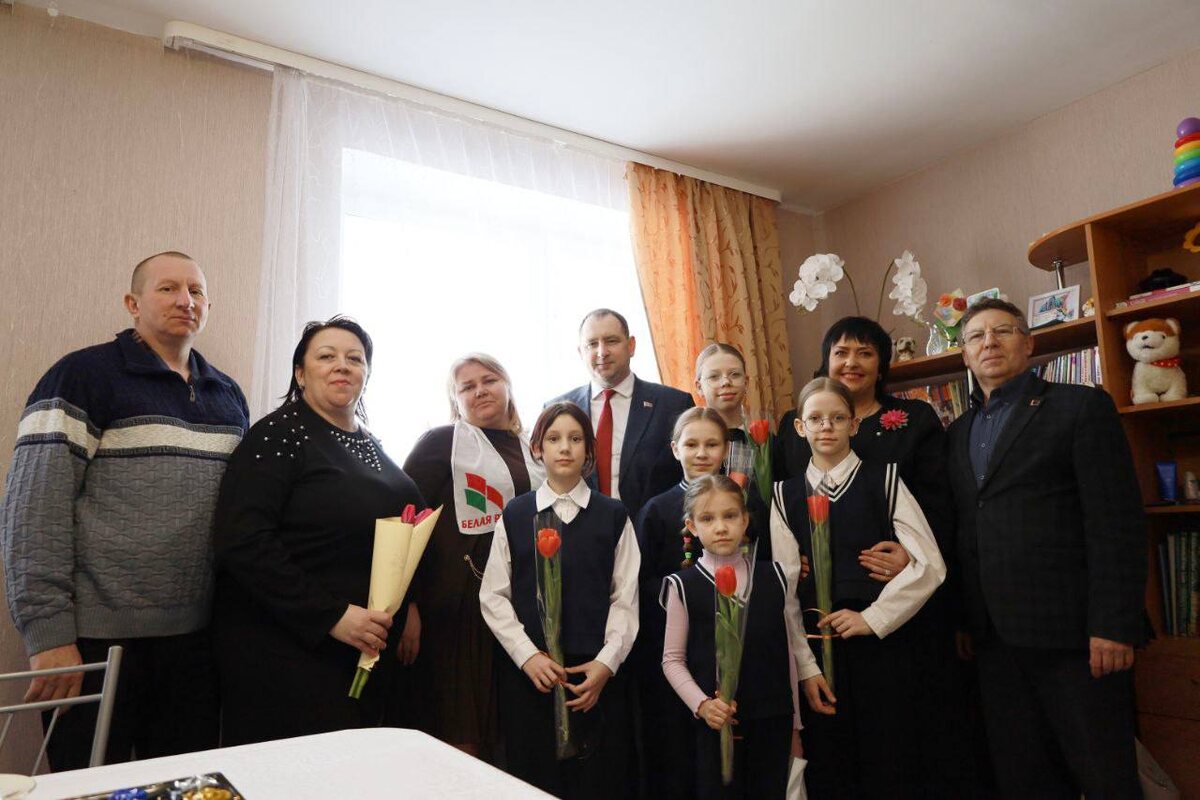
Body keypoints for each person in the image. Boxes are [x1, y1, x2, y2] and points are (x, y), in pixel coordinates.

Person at [0, 251, 249, 769]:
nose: (185, 300)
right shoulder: (81, 376)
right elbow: (34, 511)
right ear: (133, 303)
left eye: (197, 291)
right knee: (92, 788)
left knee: (184, 786)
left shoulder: (227, 395)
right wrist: (49, 636)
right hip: (94, 643)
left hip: (196, 644)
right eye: (168, 288)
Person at [947, 298, 1146, 798]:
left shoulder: (1080, 407)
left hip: (1076, 639)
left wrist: (1113, 625)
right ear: (965, 355)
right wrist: (966, 620)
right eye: (976, 337)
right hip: (994, 643)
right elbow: (966, 529)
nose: (989, 343)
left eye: (1002, 331)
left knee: (1105, 776)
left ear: (1028, 343)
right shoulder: (957, 433)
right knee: (1024, 779)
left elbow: (1115, 523)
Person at [772, 316, 975, 792]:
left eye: (837, 419)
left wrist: (874, 618)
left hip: (885, 643)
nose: (827, 427)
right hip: (817, 648)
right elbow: (784, 590)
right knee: (831, 766)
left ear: (854, 424)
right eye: (816, 419)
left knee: (892, 759)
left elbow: (930, 564)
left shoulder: (885, 480)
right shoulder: (783, 495)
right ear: (799, 427)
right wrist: (805, 667)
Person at [211, 316, 423, 745]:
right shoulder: (277, 436)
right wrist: (332, 616)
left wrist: (410, 603)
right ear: (300, 373)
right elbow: (244, 542)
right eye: (327, 356)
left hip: (360, 646)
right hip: (289, 649)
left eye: (354, 359)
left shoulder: (368, 441)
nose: (342, 365)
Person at [480, 402, 640, 799]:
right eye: (553, 439)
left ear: (589, 450)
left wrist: (606, 663)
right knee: (536, 783)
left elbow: (625, 598)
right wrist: (527, 656)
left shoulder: (613, 515)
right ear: (537, 448)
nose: (565, 447)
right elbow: (493, 596)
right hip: (533, 678)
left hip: (593, 678)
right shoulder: (515, 515)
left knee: (598, 782)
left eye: (575, 439)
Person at [399, 354, 544, 757]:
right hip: (455, 606)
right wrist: (408, 604)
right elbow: (404, 520)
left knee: (506, 729)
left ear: (508, 385)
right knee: (459, 725)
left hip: (516, 603)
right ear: (455, 400)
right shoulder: (441, 442)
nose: (480, 390)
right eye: (467, 386)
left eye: (489, 380)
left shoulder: (534, 447)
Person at [661, 474, 811, 799]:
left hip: (772, 723)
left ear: (745, 520)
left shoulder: (775, 577)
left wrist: (795, 727)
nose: (720, 527)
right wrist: (702, 705)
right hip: (715, 723)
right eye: (708, 519)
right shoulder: (682, 585)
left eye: (730, 516)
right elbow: (672, 660)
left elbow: (786, 654)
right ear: (692, 526)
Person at [633, 407, 729, 800]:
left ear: (725, 449)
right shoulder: (657, 509)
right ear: (675, 449)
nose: (701, 453)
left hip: (729, 643)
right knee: (678, 753)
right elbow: (638, 582)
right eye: (692, 444)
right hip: (675, 648)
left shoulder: (743, 502)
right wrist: (684, 592)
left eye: (711, 444)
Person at [548, 308, 694, 521]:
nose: (602, 352)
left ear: (631, 345)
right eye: (592, 344)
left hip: (653, 533)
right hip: (580, 533)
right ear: (581, 352)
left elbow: (692, 479)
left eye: (611, 341)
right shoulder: (556, 410)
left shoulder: (673, 405)